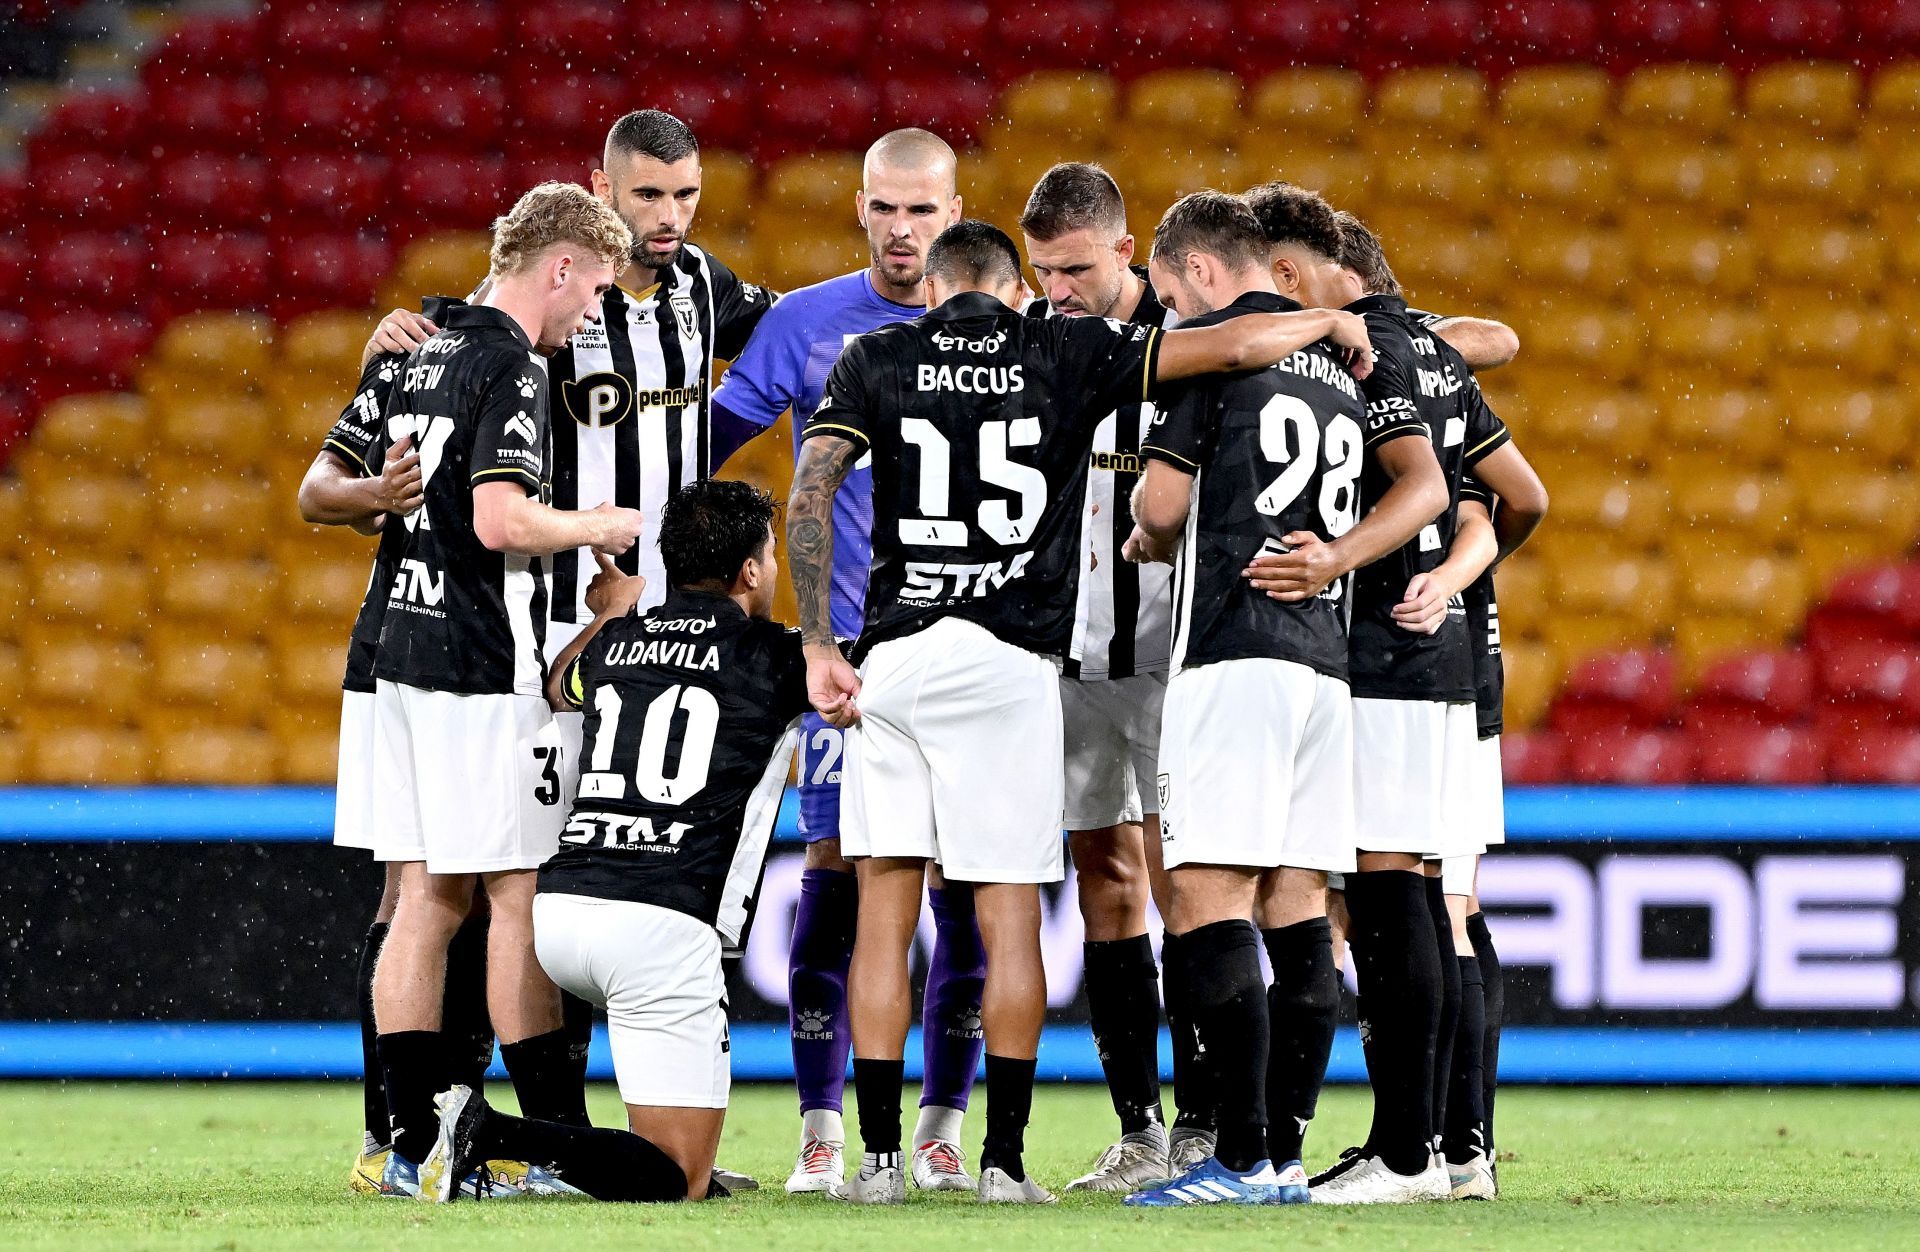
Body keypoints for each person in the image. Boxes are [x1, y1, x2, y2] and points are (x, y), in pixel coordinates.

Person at [788, 219, 1375, 1205]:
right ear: (1016, 289)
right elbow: (1232, 342)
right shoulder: (1062, 345)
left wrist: (815, 643)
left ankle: (877, 1163)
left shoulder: (873, 355)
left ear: (930, 289)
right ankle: (1004, 1167)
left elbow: (809, 496)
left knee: (884, 911)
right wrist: (1330, 319)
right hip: (1016, 662)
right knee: (1010, 918)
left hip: (892, 655)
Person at [1117, 191, 1447, 1206]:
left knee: (1205, 897)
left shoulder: (1219, 346)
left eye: (1169, 291)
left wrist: (1145, 533)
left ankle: (1243, 1156)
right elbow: (1425, 481)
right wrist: (1339, 556)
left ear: (1201, 272)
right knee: (1299, 906)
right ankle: (1290, 1154)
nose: (1169, 309)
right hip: (1324, 660)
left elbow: (1163, 505)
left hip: (1233, 647)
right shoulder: (1345, 367)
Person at [709, 128, 986, 1195]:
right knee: (832, 877)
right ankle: (824, 1130)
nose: (905, 229)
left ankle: (944, 1130)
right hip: (850, 660)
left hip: (973, 650)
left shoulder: (1008, 327)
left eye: (924, 211)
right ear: (859, 209)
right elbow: (698, 449)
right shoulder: (803, 325)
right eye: (887, 208)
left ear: (954, 212)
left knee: (967, 884)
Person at [416, 479, 811, 1204]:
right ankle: (489, 1131)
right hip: (662, 923)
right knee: (679, 1178)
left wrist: (610, 616)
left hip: (561, 912)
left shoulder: (623, 638)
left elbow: (560, 684)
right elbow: (851, 689)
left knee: (651, 1164)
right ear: (751, 570)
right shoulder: (779, 655)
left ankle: (525, 1142)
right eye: (773, 553)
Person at [367, 183, 645, 1198]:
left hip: (399, 652)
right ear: (560, 265)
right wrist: (598, 525)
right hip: (487, 668)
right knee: (515, 902)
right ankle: (548, 1147)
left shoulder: (417, 348)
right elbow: (500, 521)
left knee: (424, 903)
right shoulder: (512, 365)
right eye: (596, 289)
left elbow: (346, 483)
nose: (594, 313)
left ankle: (407, 1146)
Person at [1239, 189, 1513, 1204]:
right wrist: (1451, 585)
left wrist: (1354, 566)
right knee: (1425, 902)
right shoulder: (1435, 349)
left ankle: (1410, 1152)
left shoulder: (1369, 355)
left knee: (1401, 901)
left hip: (1386, 654)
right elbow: (1512, 492)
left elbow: (1428, 490)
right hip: (1439, 659)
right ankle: (1445, 1146)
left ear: (1302, 269)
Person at [296, 296, 504, 1196]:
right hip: (422, 648)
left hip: (447, 645)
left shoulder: (455, 353)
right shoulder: (429, 352)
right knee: (433, 890)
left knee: (447, 891)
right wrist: (374, 494)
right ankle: (404, 1128)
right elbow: (315, 492)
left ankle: (418, 1131)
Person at [1014, 162, 1189, 1191]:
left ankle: (1212, 1119)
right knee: (1106, 883)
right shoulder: (1037, 343)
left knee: (1189, 884)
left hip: (1175, 665)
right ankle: (1141, 1126)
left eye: (1076, 268)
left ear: (1127, 250)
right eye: (1043, 271)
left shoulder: (1191, 340)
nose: (1059, 290)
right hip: (1070, 663)